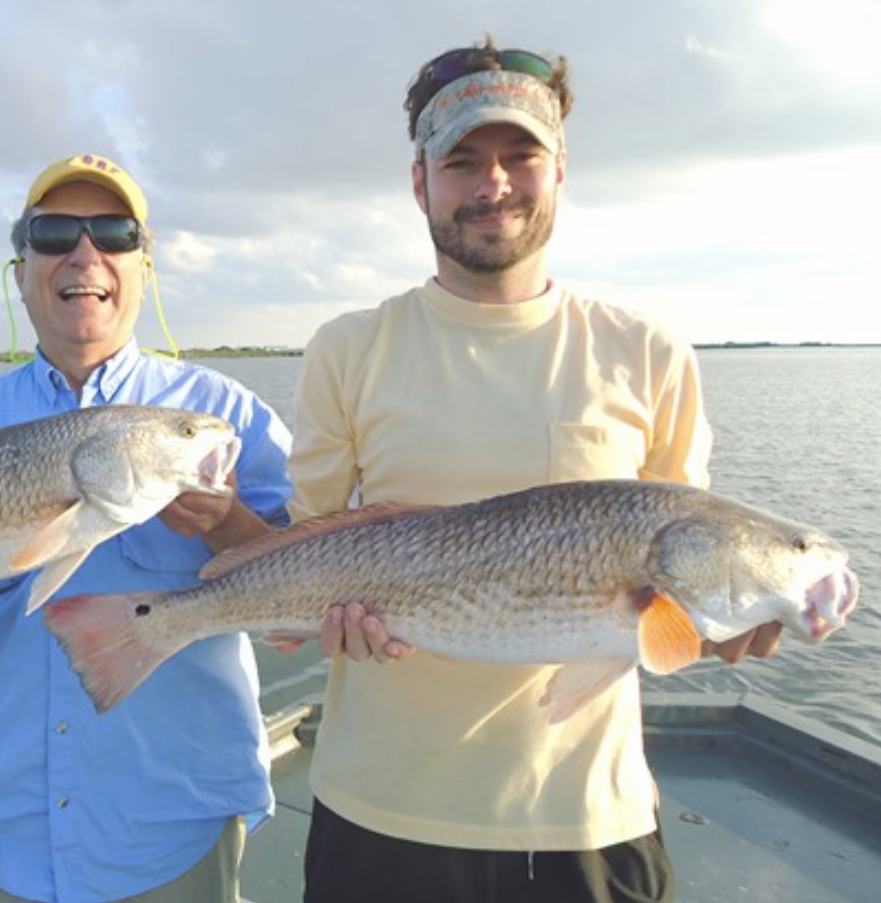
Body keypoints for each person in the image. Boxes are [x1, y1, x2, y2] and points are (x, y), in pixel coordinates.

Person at [287, 38, 783, 903]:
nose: (494, 184)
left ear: (560, 169)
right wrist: (316, 615)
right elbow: (301, 562)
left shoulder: (651, 352)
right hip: (376, 812)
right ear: (420, 183)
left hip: (587, 820)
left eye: (521, 156)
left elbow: (673, 607)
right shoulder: (346, 348)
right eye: (463, 160)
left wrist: (725, 625)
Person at [0, 153, 292, 903]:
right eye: (54, 233)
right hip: (8, 831)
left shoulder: (224, 415)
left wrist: (230, 524)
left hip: (173, 822)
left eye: (114, 232)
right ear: (21, 269)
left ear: (143, 267)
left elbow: (300, 596)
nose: (84, 254)